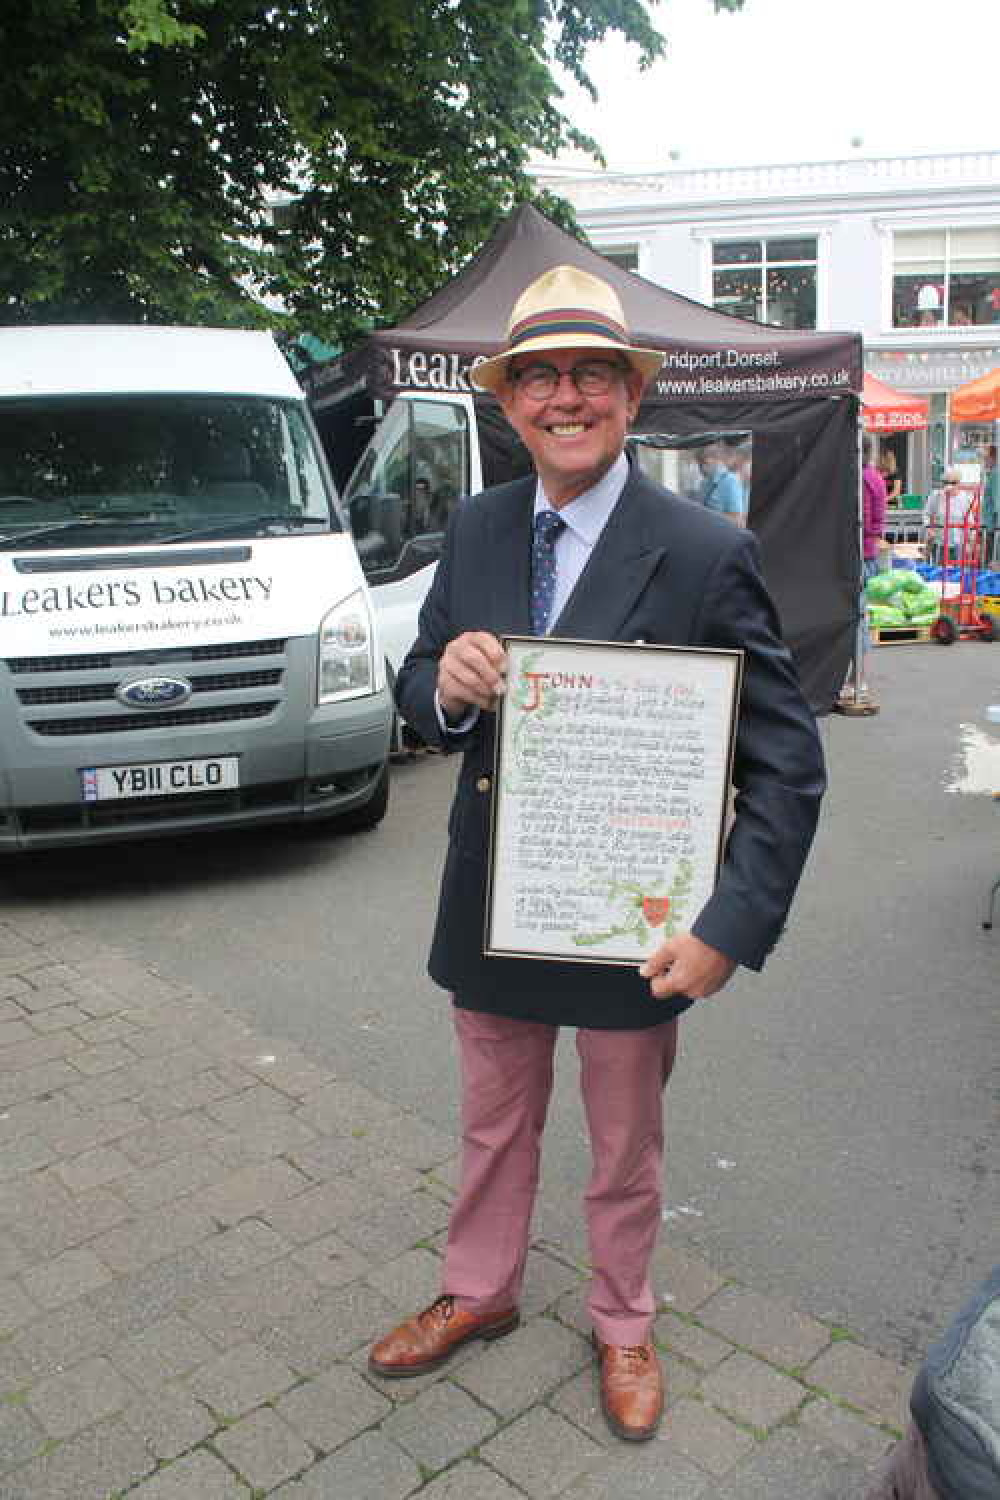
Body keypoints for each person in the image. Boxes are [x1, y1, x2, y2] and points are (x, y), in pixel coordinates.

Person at [368, 264, 826, 1444]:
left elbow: (784, 762)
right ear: (508, 401)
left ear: (629, 394)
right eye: (537, 376)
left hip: (633, 915)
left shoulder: (702, 548)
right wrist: (447, 688)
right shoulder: (472, 525)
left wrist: (730, 928)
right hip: (496, 900)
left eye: (588, 374)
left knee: (625, 1143)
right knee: (490, 1120)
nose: (562, 397)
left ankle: (622, 1318)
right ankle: (480, 1289)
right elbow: (419, 686)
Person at [838, 435, 887, 709]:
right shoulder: (873, 477)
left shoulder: (864, 479)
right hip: (866, 553)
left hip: (859, 553)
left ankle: (857, 680)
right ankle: (855, 678)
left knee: (857, 617)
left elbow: (863, 521)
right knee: (858, 615)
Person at [924, 468, 974, 564]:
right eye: (946, 482)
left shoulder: (965, 498)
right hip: (940, 542)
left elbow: (970, 521)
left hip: (959, 542)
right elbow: (927, 513)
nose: (949, 486)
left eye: (953, 483)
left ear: (959, 483)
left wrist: (970, 542)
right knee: (939, 569)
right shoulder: (936, 495)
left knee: (957, 571)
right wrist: (928, 528)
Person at [696, 443, 744, 520]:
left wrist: (710, 517)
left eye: (704, 463)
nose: (702, 469)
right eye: (699, 464)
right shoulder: (703, 483)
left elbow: (736, 518)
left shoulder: (730, 481)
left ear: (716, 460)